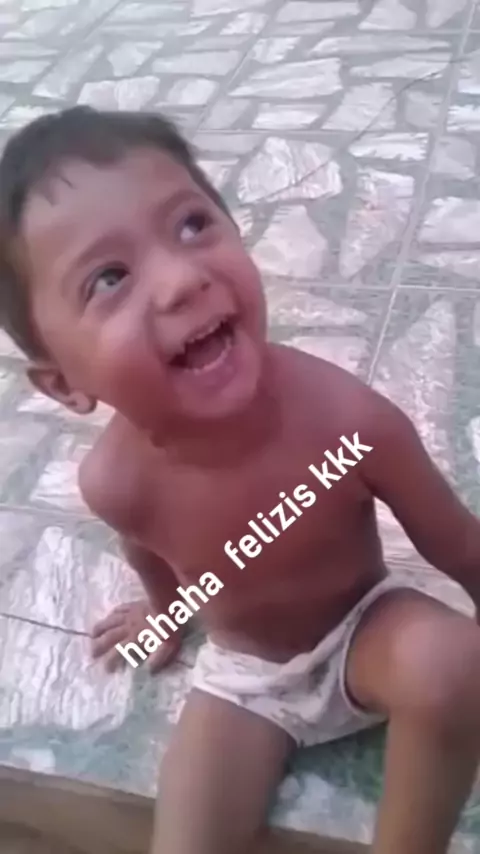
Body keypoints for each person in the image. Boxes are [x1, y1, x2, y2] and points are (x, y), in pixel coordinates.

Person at [1, 106, 480, 854]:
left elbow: (458, 543)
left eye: (192, 224)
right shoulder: (115, 481)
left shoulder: (351, 423)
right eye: (109, 277)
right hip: (246, 678)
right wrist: (165, 616)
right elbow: (149, 549)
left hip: (364, 632)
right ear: (64, 384)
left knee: (451, 664)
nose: (180, 278)